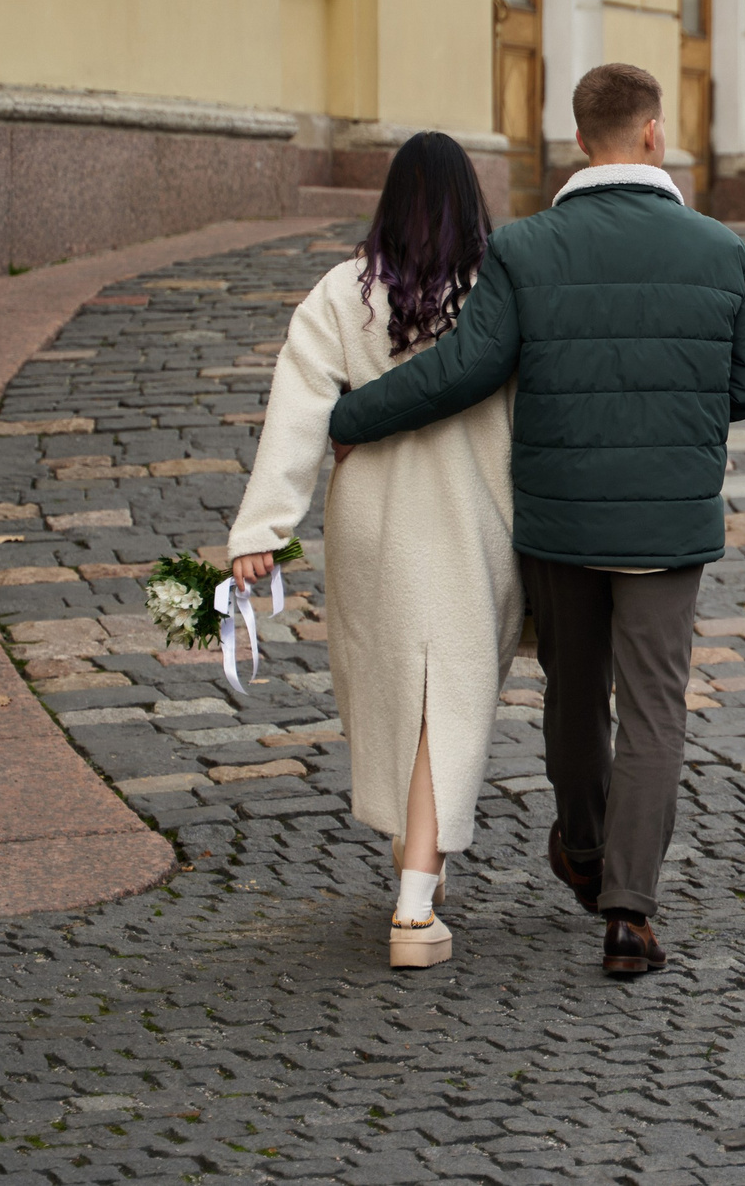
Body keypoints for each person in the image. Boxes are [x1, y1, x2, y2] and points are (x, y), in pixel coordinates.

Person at [328, 63, 745, 978]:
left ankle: (579, 840)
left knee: (575, 695)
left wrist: (350, 417)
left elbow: (462, 370)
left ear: (581, 140)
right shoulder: (720, 250)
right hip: (665, 527)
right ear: (655, 133)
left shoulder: (526, 249)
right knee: (654, 708)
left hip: (561, 520)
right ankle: (629, 911)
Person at [226, 133, 520, 971]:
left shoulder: (341, 292)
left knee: (396, 692)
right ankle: (415, 906)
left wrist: (263, 529)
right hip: (470, 520)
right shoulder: (494, 289)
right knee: (448, 702)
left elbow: (296, 408)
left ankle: (413, 857)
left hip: (373, 525)